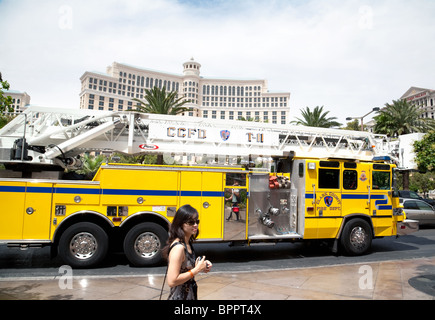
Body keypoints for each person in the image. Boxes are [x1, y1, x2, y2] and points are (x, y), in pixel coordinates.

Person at [164, 204, 212, 300]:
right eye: (191, 222)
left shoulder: (187, 243)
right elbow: (172, 281)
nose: (195, 225)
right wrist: (196, 270)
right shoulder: (178, 248)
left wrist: (202, 265)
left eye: (197, 221)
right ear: (180, 223)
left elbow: (185, 267)